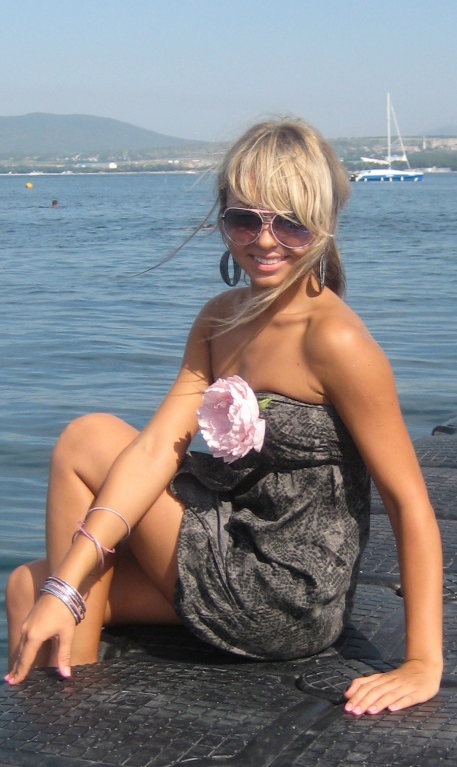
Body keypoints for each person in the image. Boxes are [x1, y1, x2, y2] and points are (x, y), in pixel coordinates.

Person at [5, 117, 442, 715]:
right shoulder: (219, 320)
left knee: (87, 439)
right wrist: (62, 585)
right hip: (232, 537)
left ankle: (69, 707)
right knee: (28, 586)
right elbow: (158, 446)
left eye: (290, 223)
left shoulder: (334, 340)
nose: (266, 241)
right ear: (222, 219)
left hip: (288, 591)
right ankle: (74, 721)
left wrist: (423, 662)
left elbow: (408, 501)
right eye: (245, 220)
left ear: (323, 224)